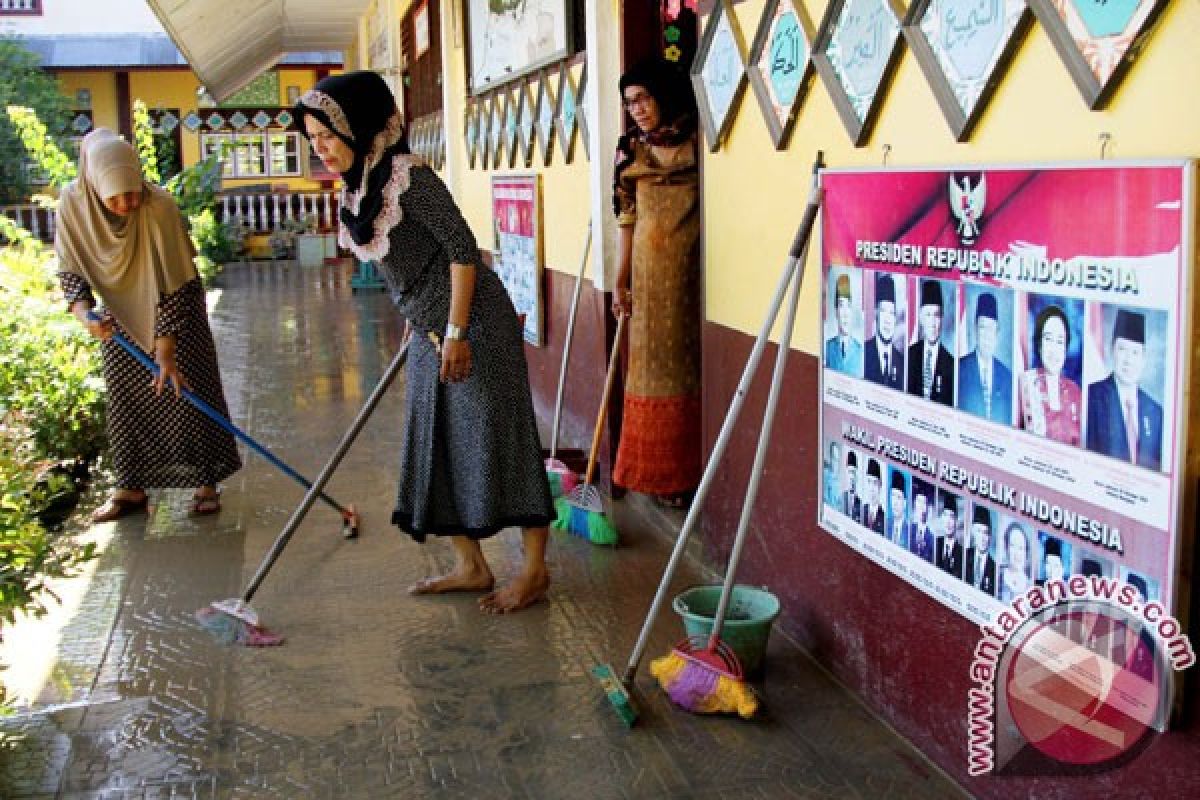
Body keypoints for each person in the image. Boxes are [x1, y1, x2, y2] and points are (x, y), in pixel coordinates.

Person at [295, 72, 554, 613]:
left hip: (475, 324)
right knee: (431, 440)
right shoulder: (359, 189)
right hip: (429, 329)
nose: (321, 149)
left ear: (359, 127)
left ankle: (533, 571)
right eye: (313, 140)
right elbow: (403, 268)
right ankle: (472, 565)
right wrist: (418, 319)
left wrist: (456, 332)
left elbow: (463, 251)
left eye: (328, 137)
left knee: (497, 437)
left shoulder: (411, 178)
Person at [55, 128, 241, 522]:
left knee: (189, 389)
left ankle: (206, 482)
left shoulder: (158, 207)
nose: (127, 203)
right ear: (93, 186)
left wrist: (166, 348)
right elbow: (71, 271)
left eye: (132, 191)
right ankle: (130, 487)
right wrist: (85, 315)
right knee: (127, 400)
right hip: (119, 314)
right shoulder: (73, 205)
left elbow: (175, 281)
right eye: (115, 196)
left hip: (177, 308)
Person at [611, 58, 702, 509]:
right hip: (648, 280)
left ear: (665, 95)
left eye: (645, 98)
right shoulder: (630, 149)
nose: (639, 110)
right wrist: (621, 277)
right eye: (630, 103)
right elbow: (626, 215)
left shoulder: (701, 142)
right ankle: (655, 478)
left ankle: (686, 474)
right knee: (650, 370)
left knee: (688, 368)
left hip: (693, 278)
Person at [1085, 309, 1163, 470]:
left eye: (1135, 352)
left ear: (1143, 358)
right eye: (1123, 350)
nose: (1128, 360)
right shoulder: (1091, 397)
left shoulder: (1155, 412)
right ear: (1112, 351)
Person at [1019, 304, 1082, 446]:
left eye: (1060, 341)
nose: (1054, 349)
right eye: (1048, 339)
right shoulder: (1025, 384)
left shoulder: (1075, 392)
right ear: (1039, 344)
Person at [958, 292, 1012, 423]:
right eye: (983, 327)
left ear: (997, 333)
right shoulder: (959, 368)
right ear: (975, 329)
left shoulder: (1006, 376)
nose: (987, 335)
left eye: (991, 328)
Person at [907, 279, 954, 405]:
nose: (933, 323)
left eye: (936, 315)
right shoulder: (909, 355)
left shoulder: (951, 363)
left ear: (942, 319)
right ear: (921, 318)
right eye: (928, 315)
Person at [864, 272, 904, 389]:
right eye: (883, 311)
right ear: (876, 314)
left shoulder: (901, 361)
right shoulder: (864, 353)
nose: (888, 320)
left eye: (891, 313)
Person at [825, 274, 863, 376]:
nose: (845, 313)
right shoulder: (828, 347)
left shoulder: (860, 351)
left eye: (849, 306)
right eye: (841, 305)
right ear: (836, 310)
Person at [964, 506, 996, 595]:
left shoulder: (994, 568)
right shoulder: (963, 555)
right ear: (973, 532)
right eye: (979, 531)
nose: (982, 538)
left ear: (990, 537)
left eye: (986, 533)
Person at [997, 522, 1033, 603]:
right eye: (1013, 545)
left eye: (1021, 548)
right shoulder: (996, 574)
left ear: (1026, 552)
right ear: (1006, 548)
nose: (1017, 553)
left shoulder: (1031, 588)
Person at [935, 490, 963, 577]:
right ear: (942, 517)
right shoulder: (935, 543)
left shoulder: (962, 553)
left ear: (956, 520)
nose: (948, 522)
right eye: (945, 515)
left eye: (951, 516)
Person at [909, 479, 935, 563]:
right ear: (914, 504)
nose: (921, 507)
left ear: (928, 508)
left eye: (924, 503)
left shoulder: (932, 539)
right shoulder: (908, 529)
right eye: (919, 502)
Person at [859, 458, 884, 534]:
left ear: (880, 486)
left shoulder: (884, 517)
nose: (871, 489)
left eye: (875, 483)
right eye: (869, 482)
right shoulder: (861, 510)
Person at [886, 470, 909, 549]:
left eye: (898, 497)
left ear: (905, 503)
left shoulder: (909, 531)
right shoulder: (886, 524)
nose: (895, 502)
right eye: (893, 495)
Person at [840, 450, 861, 521]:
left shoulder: (861, 504)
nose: (852, 476)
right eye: (850, 472)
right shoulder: (841, 498)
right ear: (846, 473)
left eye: (854, 472)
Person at [823, 440, 841, 508]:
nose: (835, 463)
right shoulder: (824, 474)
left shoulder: (838, 484)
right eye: (833, 458)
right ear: (830, 458)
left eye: (837, 460)